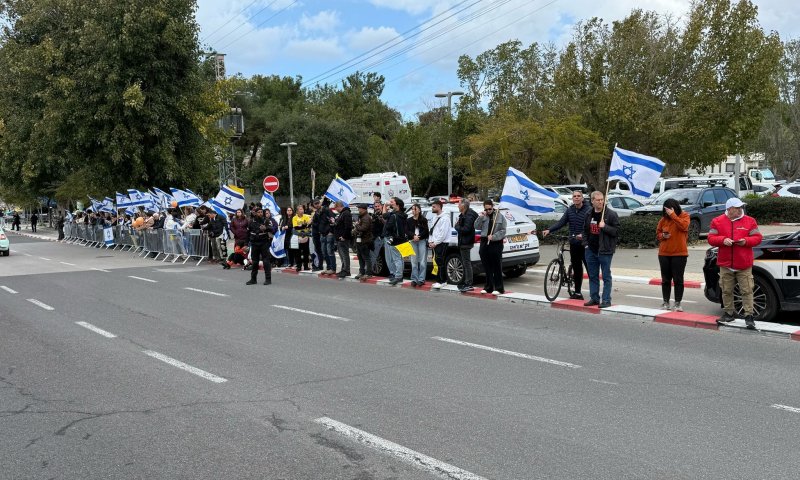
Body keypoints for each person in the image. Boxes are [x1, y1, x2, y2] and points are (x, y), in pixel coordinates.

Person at [708, 198, 762, 329]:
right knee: (726, 290)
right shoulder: (717, 221)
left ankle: (749, 316)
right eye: (737, 208)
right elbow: (710, 238)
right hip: (725, 264)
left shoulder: (750, 221)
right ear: (729, 209)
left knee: (747, 290)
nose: (740, 209)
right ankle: (728, 313)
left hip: (744, 263)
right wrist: (722, 240)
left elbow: (758, 238)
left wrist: (746, 241)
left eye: (741, 207)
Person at [542, 190, 591, 299]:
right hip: (574, 243)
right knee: (577, 268)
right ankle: (578, 293)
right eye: (575, 196)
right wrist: (549, 230)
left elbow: (590, 227)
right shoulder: (570, 210)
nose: (577, 198)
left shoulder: (588, 210)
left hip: (585, 244)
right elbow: (561, 222)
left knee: (590, 269)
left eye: (579, 196)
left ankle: (594, 294)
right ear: (572, 198)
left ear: (582, 198)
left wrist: (583, 235)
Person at [582, 191, 620, 308]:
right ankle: (594, 298)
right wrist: (585, 244)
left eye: (602, 199)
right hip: (591, 250)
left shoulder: (611, 214)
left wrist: (605, 227)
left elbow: (617, 232)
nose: (600, 202)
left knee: (606, 276)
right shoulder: (589, 213)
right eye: (598, 200)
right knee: (593, 276)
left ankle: (606, 300)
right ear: (592, 201)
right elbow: (584, 230)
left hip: (605, 251)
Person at [656, 198, 690, 311]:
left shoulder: (684, 216)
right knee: (665, 280)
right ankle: (665, 302)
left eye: (669, 210)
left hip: (679, 253)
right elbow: (658, 233)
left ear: (675, 208)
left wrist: (674, 215)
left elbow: (683, 226)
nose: (667, 213)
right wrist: (662, 236)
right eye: (666, 210)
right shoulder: (663, 220)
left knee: (678, 280)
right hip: (664, 253)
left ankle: (677, 303)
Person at [475, 199, 507, 295]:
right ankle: (488, 287)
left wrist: (494, 236)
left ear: (492, 207)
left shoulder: (499, 216)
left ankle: (499, 288)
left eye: (490, 209)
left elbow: (503, 230)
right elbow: (476, 226)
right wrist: (480, 217)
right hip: (484, 241)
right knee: (487, 265)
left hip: (496, 242)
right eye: (486, 209)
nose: (488, 211)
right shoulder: (483, 216)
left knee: (496, 265)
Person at [453, 199, 478, 292]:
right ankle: (466, 281)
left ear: (464, 205)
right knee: (465, 263)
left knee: (467, 263)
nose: (458, 206)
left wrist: (457, 227)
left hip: (466, 242)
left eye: (459, 204)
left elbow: (466, 229)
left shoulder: (469, 215)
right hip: (464, 241)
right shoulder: (464, 214)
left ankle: (469, 283)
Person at [246, 207, 274, 285]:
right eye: (258, 212)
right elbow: (247, 234)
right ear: (255, 213)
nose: (260, 213)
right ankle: (253, 279)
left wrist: (266, 228)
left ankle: (268, 279)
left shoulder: (266, 221)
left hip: (264, 243)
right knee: (254, 262)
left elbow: (273, 229)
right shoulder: (251, 221)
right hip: (254, 243)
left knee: (266, 261)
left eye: (261, 212)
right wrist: (246, 244)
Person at [382, 197, 407, 285]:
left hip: (394, 239)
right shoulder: (403, 215)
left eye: (392, 202)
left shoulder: (394, 215)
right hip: (402, 239)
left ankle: (398, 276)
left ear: (397, 204)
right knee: (400, 258)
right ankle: (399, 275)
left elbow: (388, 227)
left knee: (396, 258)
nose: (390, 203)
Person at [428, 200, 451, 289]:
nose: (432, 208)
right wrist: (430, 241)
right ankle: (439, 280)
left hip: (442, 243)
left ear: (438, 207)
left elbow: (443, 233)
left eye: (433, 206)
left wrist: (436, 242)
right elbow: (432, 230)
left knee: (440, 261)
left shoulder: (445, 218)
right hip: (435, 243)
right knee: (436, 261)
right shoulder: (435, 217)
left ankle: (442, 281)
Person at [407, 203, 430, 287]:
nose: (413, 211)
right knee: (414, 261)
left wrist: (419, 237)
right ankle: (414, 279)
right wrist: (413, 236)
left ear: (419, 210)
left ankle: (421, 279)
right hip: (413, 240)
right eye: (412, 209)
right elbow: (407, 231)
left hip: (421, 241)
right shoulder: (409, 220)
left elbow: (426, 231)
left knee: (423, 261)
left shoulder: (423, 220)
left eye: (415, 209)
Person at [353, 204, 374, 280]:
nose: (358, 210)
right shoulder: (362, 217)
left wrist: (357, 225)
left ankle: (368, 273)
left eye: (359, 208)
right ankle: (361, 272)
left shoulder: (366, 217)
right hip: (360, 240)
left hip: (365, 241)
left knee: (366, 257)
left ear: (363, 209)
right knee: (360, 257)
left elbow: (363, 228)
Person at [333, 201, 353, 278]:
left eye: (336, 208)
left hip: (343, 238)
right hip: (339, 238)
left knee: (345, 255)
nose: (336, 210)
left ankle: (346, 270)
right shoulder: (342, 214)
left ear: (339, 206)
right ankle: (343, 269)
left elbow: (348, 227)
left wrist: (344, 236)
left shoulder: (346, 213)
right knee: (342, 255)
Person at [318, 198, 336, 274]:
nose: (318, 205)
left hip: (328, 234)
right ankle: (328, 267)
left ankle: (332, 268)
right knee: (324, 252)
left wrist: (331, 232)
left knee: (330, 251)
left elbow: (333, 221)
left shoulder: (328, 211)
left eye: (319, 203)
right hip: (322, 234)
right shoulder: (319, 212)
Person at [292, 204, 312, 271]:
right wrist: (304, 225)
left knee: (306, 252)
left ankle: (306, 266)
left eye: (302, 209)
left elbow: (308, 226)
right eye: (300, 209)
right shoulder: (294, 218)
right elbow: (296, 227)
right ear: (297, 211)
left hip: (306, 236)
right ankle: (299, 266)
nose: (302, 210)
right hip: (298, 237)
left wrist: (304, 226)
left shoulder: (306, 216)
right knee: (297, 253)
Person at [370, 200, 386, 274]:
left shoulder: (385, 214)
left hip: (381, 238)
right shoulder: (373, 215)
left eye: (378, 206)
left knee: (375, 255)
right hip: (373, 237)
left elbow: (386, 224)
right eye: (375, 206)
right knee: (372, 255)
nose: (377, 208)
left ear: (382, 206)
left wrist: (381, 218)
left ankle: (369, 271)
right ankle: (370, 271)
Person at [310, 199, 323, 271]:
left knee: (318, 250)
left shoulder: (318, 213)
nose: (317, 205)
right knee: (316, 250)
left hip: (317, 234)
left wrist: (312, 222)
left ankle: (319, 265)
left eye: (318, 203)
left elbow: (318, 224)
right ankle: (317, 265)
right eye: (315, 204)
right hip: (314, 234)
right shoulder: (315, 213)